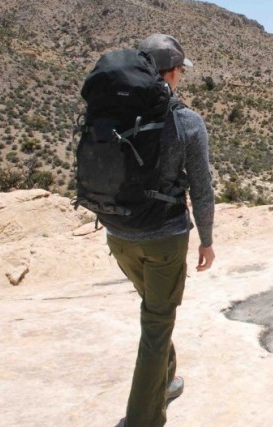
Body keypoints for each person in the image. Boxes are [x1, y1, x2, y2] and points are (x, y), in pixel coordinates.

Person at [107, 33, 215, 427]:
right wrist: (207, 239)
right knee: (156, 324)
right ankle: (143, 419)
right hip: (164, 239)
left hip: (118, 235)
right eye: (180, 71)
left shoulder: (113, 114)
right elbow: (201, 188)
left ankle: (165, 381)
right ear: (171, 73)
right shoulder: (186, 120)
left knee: (155, 312)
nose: (181, 77)